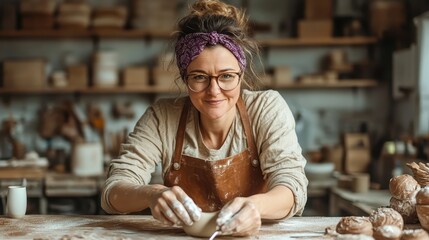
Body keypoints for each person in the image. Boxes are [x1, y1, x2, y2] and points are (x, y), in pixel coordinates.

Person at [101, 0, 308, 236]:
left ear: (241, 75)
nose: (214, 90)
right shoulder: (162, 117)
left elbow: (293, 187)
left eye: (227, 76)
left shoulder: (266, 108)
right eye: (199, 77)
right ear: (184, 77)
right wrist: (152, 194)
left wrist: (256, 207)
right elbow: (113, 192)